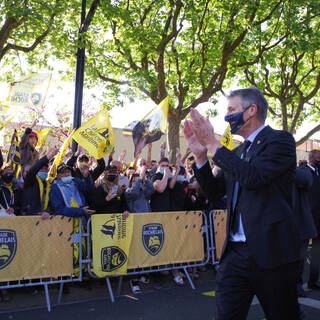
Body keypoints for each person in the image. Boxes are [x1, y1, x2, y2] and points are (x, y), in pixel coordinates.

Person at [183, 87, 301, 319]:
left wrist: (214, 145)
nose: (226, 116)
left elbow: (253, 178)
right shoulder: (236, 153)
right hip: (235, 256)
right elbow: (215, 192)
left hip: (271, 254)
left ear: (251, 111)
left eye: (231, 109)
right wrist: (200, 158)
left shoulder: (280, 141)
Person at [21, 148, 59, 219]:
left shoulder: (49, 184)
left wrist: (47, 211)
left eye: (46, 169)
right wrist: (48, 156)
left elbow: (51, 203)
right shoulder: (30, 180)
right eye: (41, 169)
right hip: (29, 217)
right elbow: (33, 170)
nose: (44, 171)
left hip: (45, 218)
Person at [306, 149, 320, 290]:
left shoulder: (318, 173)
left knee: (316, 252)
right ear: (312, 159)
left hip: (318, 219)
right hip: (306, 218)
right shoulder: (304, 172)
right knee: (301, 253)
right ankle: (296, 285)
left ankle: (313, 280)